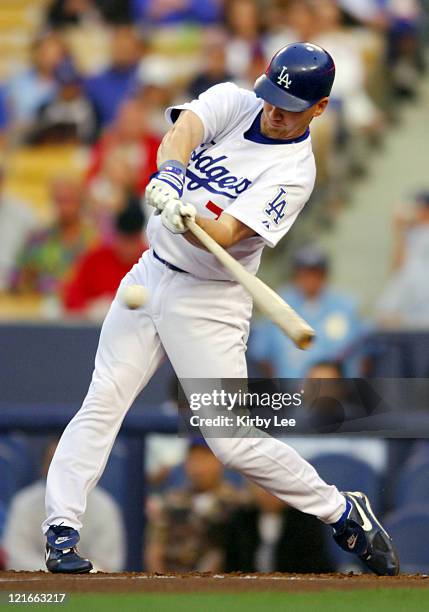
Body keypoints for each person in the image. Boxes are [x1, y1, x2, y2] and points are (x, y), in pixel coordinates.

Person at [42, 43, 398, 576]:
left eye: (291, 105)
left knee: (230, 443)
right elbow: (182, 131)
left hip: (209, 299)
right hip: (150, 273)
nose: (275, 111)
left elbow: (230, 233)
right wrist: (170, 173)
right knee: (104, 399)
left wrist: (191, 217)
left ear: (320, 108)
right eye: (273, 97)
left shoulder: (295, 172)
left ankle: (342, 509)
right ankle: (61, 532)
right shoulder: (237, 100)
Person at [3, 440, 125, 571]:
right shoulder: (25, 502)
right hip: (38, 584)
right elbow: (15, 557)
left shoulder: (103, 505)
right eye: (55, 464)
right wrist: (57, 571)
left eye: (69, 464)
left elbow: (108, 562)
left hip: (89, 587)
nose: (62, 472)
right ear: (44, 466)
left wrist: (74, 572)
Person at [250, 244, 364, 378]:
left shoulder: (344, 305)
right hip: (290, 391)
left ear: (324, 275)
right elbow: (261, 354)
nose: (310, 279)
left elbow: (361, 351)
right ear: (296, 275)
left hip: (335, 391)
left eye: (315, 273)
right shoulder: (279, 303)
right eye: (304, 273)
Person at [145, 439, 241, 572]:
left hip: (217, 585)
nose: (198, 467)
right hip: (171, 582)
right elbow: (155, 549)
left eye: (205, 458)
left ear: (219, 461)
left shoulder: (236, 503)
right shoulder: (172, 501)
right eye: (194, 459)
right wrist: (162, 584)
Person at [12, 176, 97, 296]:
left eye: (69, 200)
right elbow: (17, 278)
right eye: (59, 201)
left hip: (83, 308)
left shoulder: (95, 238)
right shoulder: (37, 237)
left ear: (81, 200)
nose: (64, 207)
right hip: (42, 306)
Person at [225, 482, 334, 573]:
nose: (268, 493)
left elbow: (316, 564)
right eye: (262, 485)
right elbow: (233, 563)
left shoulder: (306, 522)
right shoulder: (241, 520)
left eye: (276, 486)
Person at [63, 203, 147, 318]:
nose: (128, 248)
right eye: (124, 240)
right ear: (116, 236)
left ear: (139, 238)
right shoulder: (95, 259)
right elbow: (72, 296)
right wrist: (90, 308)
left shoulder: (150, 262)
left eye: (132, 241)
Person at [84, 25, 143, 128]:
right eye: (119, 47)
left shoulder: (146, 77)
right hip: (106, 135)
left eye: (126, 48)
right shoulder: (95, 83)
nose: (122, 53)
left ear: (136, 50)